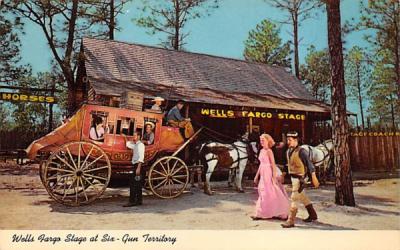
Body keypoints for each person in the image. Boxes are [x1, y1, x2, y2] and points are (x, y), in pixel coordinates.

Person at [281, 131, 320, 228]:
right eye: (287, 140)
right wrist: (283, 175)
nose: (288, 141)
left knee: (294, 198)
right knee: (302, 197)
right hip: (293, 178)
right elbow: (288, 165)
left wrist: (314, 177)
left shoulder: (302, 151)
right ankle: (313, 215)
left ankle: (291, 220)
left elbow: (309, 165)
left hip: (300, 179)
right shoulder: (288, 151)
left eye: (290, 140)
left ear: (295, 140)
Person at [251, 134, 290, 220]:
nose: (261, 142)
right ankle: (261, 212)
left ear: (268, 141)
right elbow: (261, 164)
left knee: (270, 192)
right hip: (263, 173)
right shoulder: (261, 151)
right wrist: (256, 176)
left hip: (269, 172)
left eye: (263, 140)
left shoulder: (269, 151)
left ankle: (280, 211)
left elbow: (273, 164)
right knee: (262, 191)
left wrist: (273, 176)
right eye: (260, 140)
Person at [123, 131, 145, 207]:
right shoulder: (135, 145)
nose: (133, 137)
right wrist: (125, 137)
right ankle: (139, 200)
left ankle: (132, 201)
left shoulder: (140, 145)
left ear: (139, 136)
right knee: (137, 184)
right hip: (136, 166)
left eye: (135, 136)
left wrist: (138, 168)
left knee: (133, 184)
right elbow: (128, 145)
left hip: (138, 166)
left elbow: (141, 157)